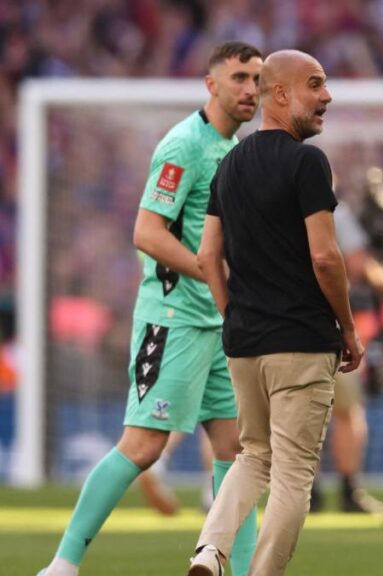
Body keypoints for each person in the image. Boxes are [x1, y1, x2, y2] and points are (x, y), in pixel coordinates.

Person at [37, 42, 263, 576]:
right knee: (142, 446)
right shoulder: (183, 145)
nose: (250, 89)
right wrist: (211, 272)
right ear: (211, 84)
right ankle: (62, 565)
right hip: (174, 319)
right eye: (239, 78)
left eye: (256, 78)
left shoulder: (238, 150)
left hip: (221, 324)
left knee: (239, 455)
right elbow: (146, 232)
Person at [186, 49, 364, 576]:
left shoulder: (229, 163)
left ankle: (210, 551)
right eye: (316, 84)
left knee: (252, 456)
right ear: (281, 94)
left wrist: (232, 315)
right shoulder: (307, 162)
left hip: (245, 343)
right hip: (302, 343)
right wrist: (349, 328)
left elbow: (206, 254)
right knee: (291, 477)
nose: (327, 95)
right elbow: (326, 256)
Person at [309, 198, 383, 514]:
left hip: (284, 324)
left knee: (300, 414)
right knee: (347, 412)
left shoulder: (271, 204)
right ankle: (348, 491)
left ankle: (306, 493)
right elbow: (356, 265)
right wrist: (382, 269)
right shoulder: (335, 212)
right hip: (332, 324)